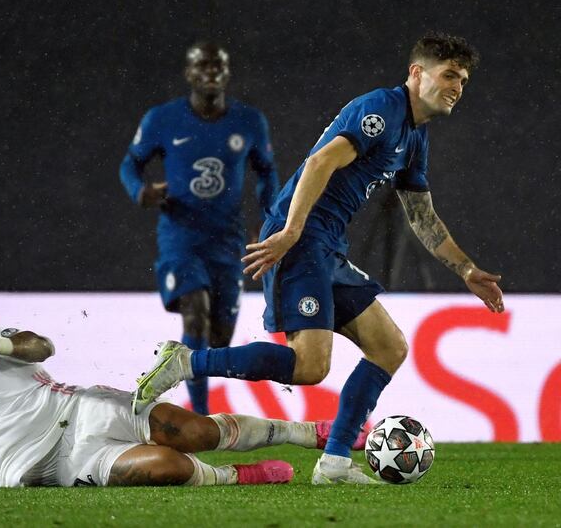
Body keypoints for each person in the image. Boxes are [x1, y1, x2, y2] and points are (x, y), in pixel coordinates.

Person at [133, 32, 505, 485]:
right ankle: (187, 362)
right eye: (449, 75)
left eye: (463, 80)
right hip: (302, 235)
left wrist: (466, 269)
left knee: (390, 347)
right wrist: (290, 232)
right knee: (310, 366)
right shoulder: (380, 111)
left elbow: (422, 215)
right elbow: (318, 164)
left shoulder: (415, 136)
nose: (457, 87)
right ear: (416, 73)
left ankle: (333, 464)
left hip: (326, 244)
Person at [0, 293, 362, 490]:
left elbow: (40, 347)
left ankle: (313, 432)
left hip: (83, 409)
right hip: (63, 464)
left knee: (192, 430)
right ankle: (243, 476)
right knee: (165, 466)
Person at [119, 41, 280, 415]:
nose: (211, 73)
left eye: (218, 66)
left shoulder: (249, 121)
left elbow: (267, 171)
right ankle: (200, 417)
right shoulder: (162, 118)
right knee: (196, 311)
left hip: (227, 240)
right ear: (189, 73)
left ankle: (191, 384)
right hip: (180, 237)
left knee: (219, 338)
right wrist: (140, 192)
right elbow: (131, 163)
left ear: (227, 73)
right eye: (202, 66)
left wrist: (268, 222)